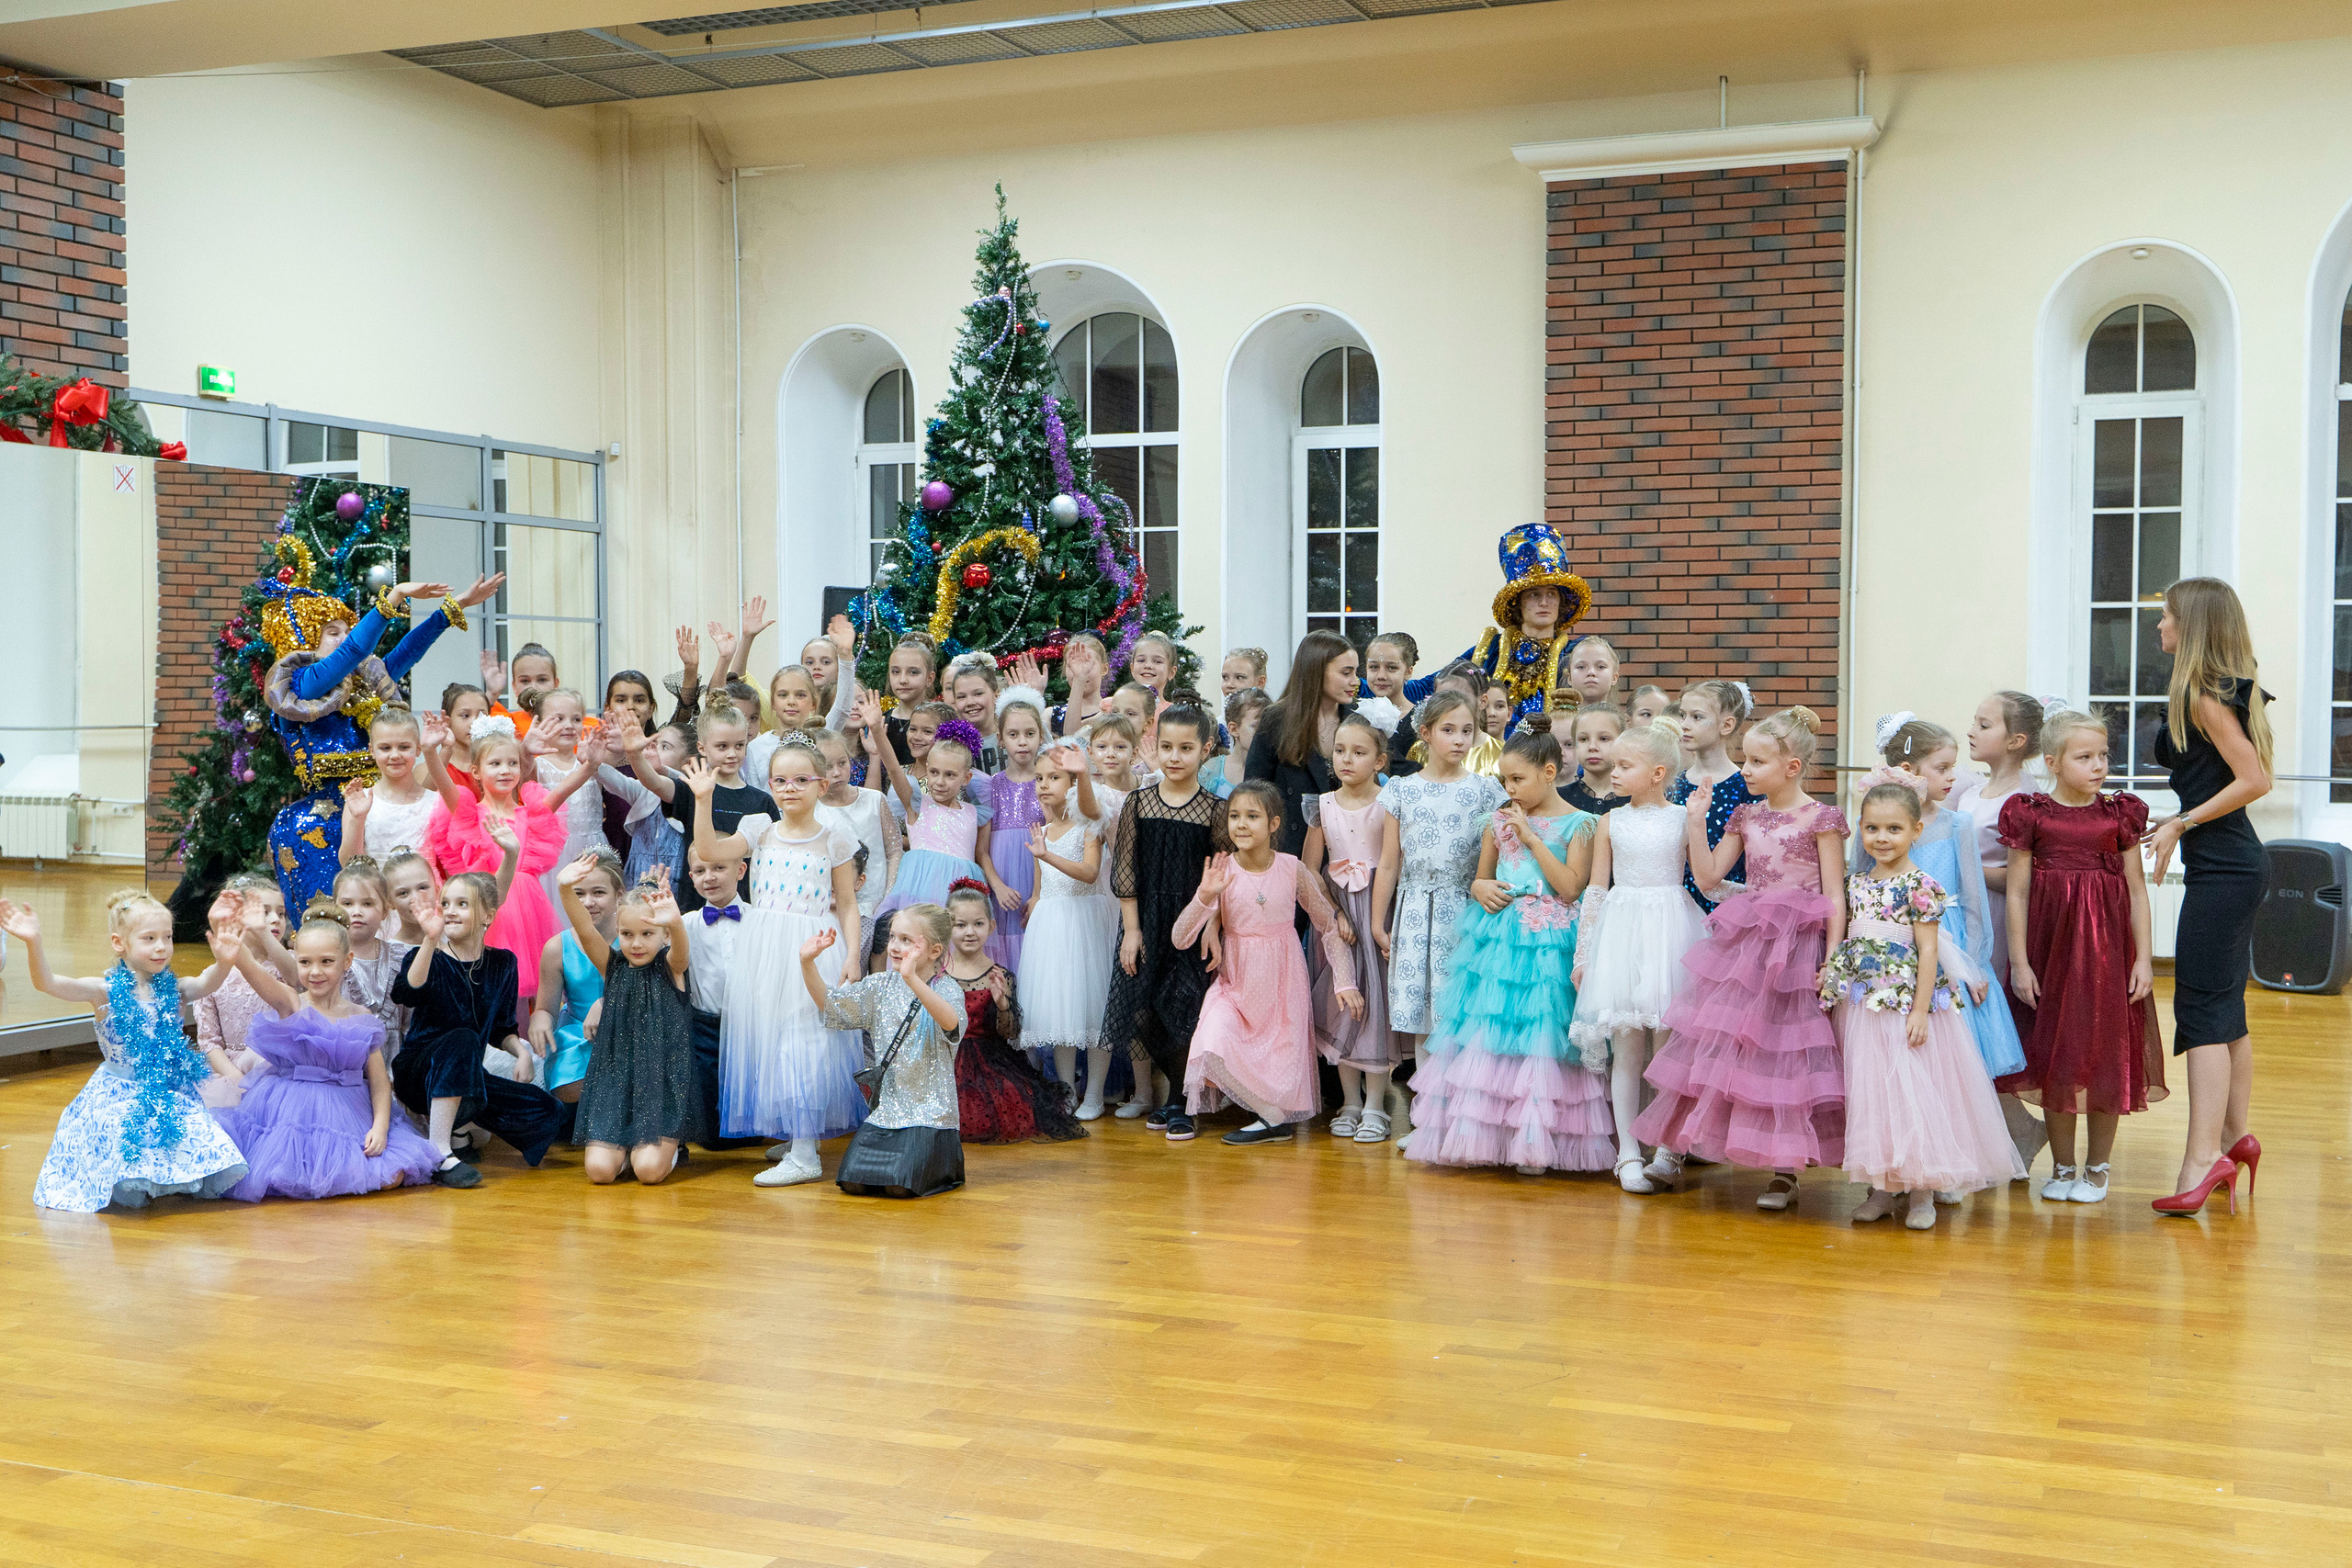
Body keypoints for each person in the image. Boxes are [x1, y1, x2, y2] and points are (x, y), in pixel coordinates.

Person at [1635, 707, 1849, 1211]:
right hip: (1746, 944)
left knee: (1784, 1049)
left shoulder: (1821, 818)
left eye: (1755, 762)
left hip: (1797, 948)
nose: (1745, 770)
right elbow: (1709, 878)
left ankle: (1784, 1170)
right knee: (1711, 1041)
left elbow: (1835, 894)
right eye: (1745, 760)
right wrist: (1693, 822)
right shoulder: (1745, 815)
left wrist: (1833, 957)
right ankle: (1674, 1147)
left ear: (1791, 767)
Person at [253, 539, 501, 910]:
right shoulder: (303, 685)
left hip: (380, 804)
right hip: (328, 815)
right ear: (306, 640)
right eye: (333, 632)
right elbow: (354, 650)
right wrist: (395, 595)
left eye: (345, 629)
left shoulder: (364, 680)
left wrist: (456, 606)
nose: (346, 638)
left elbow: (406, 652)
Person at [1407, 716, 1604, 1175]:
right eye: (1504, 779)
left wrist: (1532, 838)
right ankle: (1485, 1133)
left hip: (1551, 939)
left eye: (1517, 779)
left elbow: (1570, 889)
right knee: (1490, 1028)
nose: (1509, 789)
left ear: (1549, 773)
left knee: (1542, 1031)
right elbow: (1481, 875)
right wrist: (1479, 888)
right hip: (1497, 936)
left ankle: (1534, 1140)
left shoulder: (1581, 824)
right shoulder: (1496, 821)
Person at [1826, 780, 2026, 1230]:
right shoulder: (1855, 884)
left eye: (1894, 828)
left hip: (1909, 1006)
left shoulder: (1921, 886)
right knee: (1874, 1094)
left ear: (1915, 831)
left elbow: (1930, 953)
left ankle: (1921, 1193)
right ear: (1859, 830)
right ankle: (1883, 1187)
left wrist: (1919, 1010)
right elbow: (1849, 944)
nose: (1882, 838)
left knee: (1913, 1092)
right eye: (1872, 828)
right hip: (1864, 1008)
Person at [1996, 709, 2165, 1204]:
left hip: (2110, 955)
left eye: (2104, 755)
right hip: (2050, 954)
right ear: (2052, 761)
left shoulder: (2120, 814)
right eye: (2085, 756)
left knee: (2106, 1053)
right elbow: (2018, 894)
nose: (2099, 766)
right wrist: (2021, 962)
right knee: (2055, 1056)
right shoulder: (2029, 811)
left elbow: (2136, 890)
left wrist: (2143, 961)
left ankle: (2098, 1166)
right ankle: (2063, 1164)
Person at [2146, 579, 2274, 1215]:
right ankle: (2233, 1137)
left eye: (2166, 619)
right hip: (2232, 865)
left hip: (2225, 867)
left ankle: (2202, 1160)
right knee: (2225, 1006)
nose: (2160, 628)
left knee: (2200, 1009)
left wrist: (2180, 821)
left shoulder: (2202, 696)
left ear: (2190, 627)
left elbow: (2256, 779)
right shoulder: (2214, 691)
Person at [684, 742, 865, 1186]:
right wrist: (703, 800)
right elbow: (708, 848)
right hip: (765, 947)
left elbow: (848, 906)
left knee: (803, 1043)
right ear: (770, 785)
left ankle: (806, 1154)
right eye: (781, 780)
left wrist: (855, 956)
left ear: (821, 786)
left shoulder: (833, 837)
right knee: (772, 1039)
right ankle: (796, 1134)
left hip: (813, 947)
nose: (790, 788)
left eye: (802, 780)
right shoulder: (758, 828)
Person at [14, 890, 253, 1213]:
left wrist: (224, 962)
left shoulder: (176, 990)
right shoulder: (104, 991)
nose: (161, 947)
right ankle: (130, 1181)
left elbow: (206, 982)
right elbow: (48, 983)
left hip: (168, 1090)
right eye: (149, 938)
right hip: (118, 1092)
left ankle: (172, 1179)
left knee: (197, 1127)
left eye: (167, 937)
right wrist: (34, 942)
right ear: (119, 943)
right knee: (123, 1126)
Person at [214, 896, 443, 1201]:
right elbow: (251, 968)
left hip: (348, 1110)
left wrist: (381, 1127)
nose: (315, 972)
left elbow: (378, 1081)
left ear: (346, 961)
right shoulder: (291, 1002)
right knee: (284, 1171)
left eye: (326, 961)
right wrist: (223, 929)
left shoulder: (361, 1017)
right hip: (292, 1110)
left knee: (392, 1175)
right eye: (305, 962)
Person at [1176, 783, 1363, 1145]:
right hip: (1236, 981)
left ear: (1274, 823)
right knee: (1210, 1040)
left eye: (1252, 816)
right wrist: (1204, 896)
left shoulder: (1292, 869)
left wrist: (1344, 980)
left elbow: (1326, 925)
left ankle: (1272, 1120)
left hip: (1282, 979)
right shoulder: (1222, 871)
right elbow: (1180, 938)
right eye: (1234, 816)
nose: (1241, 825)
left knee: (1280, 1053)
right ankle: (1273, 1115)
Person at [1853, 717, 2027, 1100]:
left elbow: (1974, 899)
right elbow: (1858, 884)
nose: (1954, 777)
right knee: (1904, 1053)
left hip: (1950, 947)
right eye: (1943, 768)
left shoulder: (1956, 824)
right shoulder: (1874, 825)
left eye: (1953, 766)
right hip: (1893, 948)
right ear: (1907, 770)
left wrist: (1977, 965)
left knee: (1956, 1056)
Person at [1569, 720, 1709, 1192]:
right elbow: (1595, 887)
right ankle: (1628, 1151)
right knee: (1626, 1045)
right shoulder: (1611, 820)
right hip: (1623, 931)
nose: (1614, 771)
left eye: (1625, 765)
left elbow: (1705, 878)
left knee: (1667, 1047)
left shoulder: (1681, 819)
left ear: (1657, 773)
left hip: (1672, 929)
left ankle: (1667, 1147)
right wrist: (1584, 952)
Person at [390, 871, 566, 1185]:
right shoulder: (426, 955)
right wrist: (430, 939)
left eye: (462, 903)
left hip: (467, 1073)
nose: (451, 911)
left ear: (488, 915)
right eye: (446, 904)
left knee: (547, 1110)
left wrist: (521, 1054)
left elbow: (501, 1028)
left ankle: (460, 1126)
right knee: (463, 1038)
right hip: (419, 1074)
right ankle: (440, 1150)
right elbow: (407, 993)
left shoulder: (503, 964)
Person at [1103, 703, 1225, 1142]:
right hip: (1147, 920)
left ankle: (1180, 1100)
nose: (1175, 757)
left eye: (1186, 748)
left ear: (1205, 750)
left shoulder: (1215, 809)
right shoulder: (1139, 802)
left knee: (1185, 1010)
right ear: (1154, 745)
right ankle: (1174, 1094)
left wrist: (1211, 925)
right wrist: (1131, 930)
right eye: (1167, 747)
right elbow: (1125, 870)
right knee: (1140, 1006)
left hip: (1191, 923)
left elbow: (1220, 875)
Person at [1379, 691, 1506, 1106]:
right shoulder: (1402, 790)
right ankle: (1426, 1112)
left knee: (1460, 1012)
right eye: (1448, 730)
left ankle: (1464, 1112)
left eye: (1467, 731)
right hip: (1415, 911)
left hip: (1465, 913)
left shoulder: (1486, 791)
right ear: (1426, 733)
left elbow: (1499, 858)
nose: (1458, 740)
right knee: (1422, 1018)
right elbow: (1389, 861)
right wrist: (1379, 921)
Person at [421, 711, 591, 1016]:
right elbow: (441, 779)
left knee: (529, 993)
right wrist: (430, 750)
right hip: (484, 908)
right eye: (495, 763)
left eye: (512, 763)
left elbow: (568, 786)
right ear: (476, 770)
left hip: (528, 913)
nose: (505, 770)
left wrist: (593, 762)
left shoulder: (532, 814)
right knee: (482, 988)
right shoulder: (468, 812)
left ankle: (530, 1054)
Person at [557, 858, 703, 1183]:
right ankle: (624, 1150)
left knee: (649, 1173)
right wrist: (565, 888)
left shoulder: (671, 967)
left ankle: (671, 1148)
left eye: (647, 933)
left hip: (661, 1084)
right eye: (627, 934)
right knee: (599, 1173)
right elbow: (583, 927)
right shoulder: (613, 966)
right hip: (616, 1081)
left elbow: (681, 952)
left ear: (662, 935)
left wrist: (676, 923)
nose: (636, 943)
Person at [807, 909, 967, 1198]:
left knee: (899, 1186)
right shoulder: (879, 986)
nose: (894, 946)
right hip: (887, 1113)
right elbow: (832, 1007)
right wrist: (807, 964)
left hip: (930, 1116)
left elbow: (952, 1024)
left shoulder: (947, 988)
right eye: (893, 937)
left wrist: (913, 981)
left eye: (906, 940)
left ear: (934, 951)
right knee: (852, 1182)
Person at [1300, 714, 1401, 1143]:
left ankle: (1377, 1106)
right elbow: (1309, 870)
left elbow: (1394, 863)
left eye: (1359, 752)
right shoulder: (1322, 805)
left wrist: (1376, 920)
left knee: (1376, 1007)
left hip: (1378, 912)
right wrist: (1334, 915)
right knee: (1342, 1006)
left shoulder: (1390, 802)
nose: (1347, 759)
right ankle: (1350, 1101)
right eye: (1340, 750)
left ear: (1379, 760)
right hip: (1338, 920)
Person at [1962, 689, 2049, 1169]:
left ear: (2016, 740)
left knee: (1984, 1028)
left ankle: (2006, 1135)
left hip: (1998, 918)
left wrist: (1964, 871)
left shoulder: (2029, 797)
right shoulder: (1972, 791)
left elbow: (2028, 877)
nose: (1971, 730)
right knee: (1966, 1030)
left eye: (1984, 724)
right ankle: (2013, 1131)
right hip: (1965, 917)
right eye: (1973, 721)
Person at [1401, 523, 1594, 734]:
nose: (1544, 602)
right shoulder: (1492, 649)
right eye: (1534, 594)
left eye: (1551, 593)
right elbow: (1434, 686)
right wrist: (1371, 686)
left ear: (1560, 601)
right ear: (1517, 602)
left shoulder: (1574, 655)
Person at [1019, 741, 1119, 1117]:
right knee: (1061, 1010)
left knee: (1092, 1010)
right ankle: (1066, 1090)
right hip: (1052, 925)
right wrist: (1034, 900)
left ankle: (1094, 1093)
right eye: (1040, 778)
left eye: (1054, 777)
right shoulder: (1042, 829)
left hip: (1086, 921)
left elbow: (1091, 874)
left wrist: (1048, 856)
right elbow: (1040, 886)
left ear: (1073, 781)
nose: (1044, 785)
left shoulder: (1088, 825)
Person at [942, 882, 1085, 1144]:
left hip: (990, 1060)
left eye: (978, 924)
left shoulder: (1001, 975)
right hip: (946, 1060)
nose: (969, 932)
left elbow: (1010, 1032)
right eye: (960, 925)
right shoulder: (937, 975)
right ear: (947, 927)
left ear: (991, 927)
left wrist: (1002, 1004)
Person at [634, 702, 778, 914]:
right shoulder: (691, 789)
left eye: (739, 745)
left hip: (748, 906)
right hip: (697, 903)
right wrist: (633, 753)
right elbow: (654, 782)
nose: (732, 754)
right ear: (702, 748)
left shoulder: (762, 802)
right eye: (722, 746)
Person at [868, 714, 994, 945]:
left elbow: (982, 853)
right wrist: (877, 729)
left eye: (950, 775)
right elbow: (894, 769)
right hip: (919, 890)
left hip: (958, 897)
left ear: (966, 778)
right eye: (934, 772)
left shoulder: (975, 813)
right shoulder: (917, 804)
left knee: (954, 950)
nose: (940, 782)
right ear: (927, 769)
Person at [1245, 629, 1360, 858]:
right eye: (1346, 673)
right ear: (1316, 673)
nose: (1355, 681)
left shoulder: (1358, 719)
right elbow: (1254, 791)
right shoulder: (1277, 719)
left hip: (1349, 852)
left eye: (1356, 672)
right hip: (1290, 852)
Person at [528, 846, 623, 1103]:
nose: (587, 902)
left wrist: (606, 1002)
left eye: (599, 893)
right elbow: (545, 1008)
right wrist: (539, 1019)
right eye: (578, 893)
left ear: (619, 895)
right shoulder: (557, 947)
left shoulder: (634, 941)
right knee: (570, 1092)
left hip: (628, 1031)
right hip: (578, 1036)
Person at [1666, 679, 1758, 914]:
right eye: (1682, 715)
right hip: (1673, 907)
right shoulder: (1673, 783)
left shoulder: (1746, 786)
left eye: (1697, 717)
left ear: (1726, 725)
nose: (1684, 725)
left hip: (1725, 909)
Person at [194, 871, 283, 1110]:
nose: (275, 919)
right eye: (264, 912)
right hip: (231, 1071)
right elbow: (209, 1041)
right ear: (236, 919)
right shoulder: (215, 977)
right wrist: (236, 1079)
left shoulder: (292, 966)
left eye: (281, 913)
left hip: (280, 1069)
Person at [979, 689, 1049, 967]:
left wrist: (1038, 895)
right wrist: (997, 886)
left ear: (1041, 737)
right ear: (1000, 739)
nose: (1022, 742)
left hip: (1037, 885)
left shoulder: (1048, 784)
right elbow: (982, 851)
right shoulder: (989, 786)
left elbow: (1055, 840)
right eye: (1013, 735)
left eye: (1030, 734)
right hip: (1003, 886)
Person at [811, 726, 898, 954]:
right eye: (828, 767)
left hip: (877, 906)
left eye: (842, 763)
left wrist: (887, 899)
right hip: (832, 911)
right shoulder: (812, 810)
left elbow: (894, 850)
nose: (838, 772)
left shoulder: (874, 800)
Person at [331, 859, 413, 1066]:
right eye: (347, 904)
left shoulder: (401, 957)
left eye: (367, 903)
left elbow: (410, 1021)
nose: (356, 911)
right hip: (345, 1062)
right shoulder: (327, 959)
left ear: (385, 910)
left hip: (396, 1065)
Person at [338, 708, 439, 869]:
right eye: (385, 748)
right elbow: (348, 864)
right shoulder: (360, 802)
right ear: (372, 750)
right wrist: (358, 818)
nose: (395, 755)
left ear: (418, 748)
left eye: (404, 747)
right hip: (376, 891)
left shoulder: (436, 801)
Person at [1363, 632, 1423, 773]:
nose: (1381, 676)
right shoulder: (1357, 716)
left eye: (1392, 668)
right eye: (1373, 667)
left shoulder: (1420, 721)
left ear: (1408, 672)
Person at [1201, 688, 1271, 800]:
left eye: (1268, 725)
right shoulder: (1212, 770)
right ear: (1234, 729)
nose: (1264, 732)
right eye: (1256, 726)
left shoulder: (1274, 769)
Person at [1561, 705, 1627, 815]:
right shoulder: (1560, 798)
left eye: (1603, 739)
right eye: (1583, 739)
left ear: (1622, 741)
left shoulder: (1636, 799)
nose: (1592, 747)